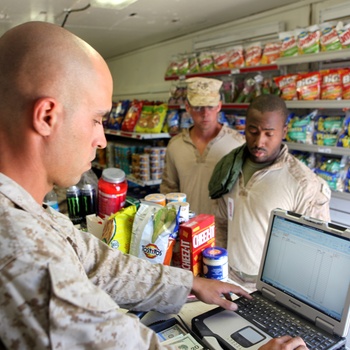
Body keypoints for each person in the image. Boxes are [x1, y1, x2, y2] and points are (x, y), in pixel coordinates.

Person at [0, 22, 308, 350]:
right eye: (96, 119)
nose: (102, 139)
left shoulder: (30, 212)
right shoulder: (24, 253)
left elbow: (98, 263)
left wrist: (187, 282)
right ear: (47, 116)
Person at [209, 94, 331, 290]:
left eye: (268, 134)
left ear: (283, 131)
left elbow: (315, 251)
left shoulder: (302, 183)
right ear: (245, 127)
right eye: (253, 131)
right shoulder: (228, 168)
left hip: (269, 288)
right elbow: (221, 222)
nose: (259, 142)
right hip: (228, 277)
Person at [160, 77, 245, 225]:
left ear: (219, 106)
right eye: (199, 107)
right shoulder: (175, 146)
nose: (205, 113)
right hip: (186, 230)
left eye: (210, 106)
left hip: (222, 233)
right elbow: (168, 189)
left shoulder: (237, 144)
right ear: (187, 107)